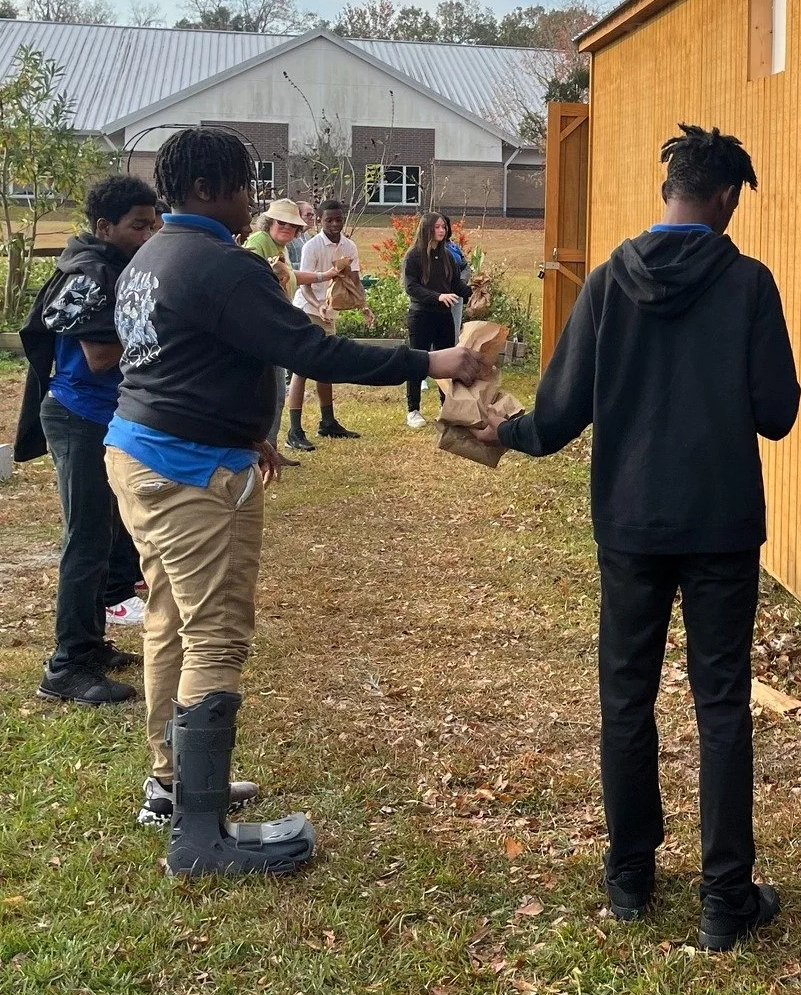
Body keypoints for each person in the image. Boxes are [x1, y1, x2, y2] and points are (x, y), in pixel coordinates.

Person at [104, 127, 487, 873]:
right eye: (249, 186)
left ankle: (174, 782)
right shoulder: (224, 264)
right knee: (214, 636)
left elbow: (184, 358)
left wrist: (251, 429)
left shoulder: (151, 256)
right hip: (188, 474)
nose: (255, 203)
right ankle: (200, 840)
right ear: (213, 190)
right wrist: (433, 359)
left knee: (170, 619)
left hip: (141, 452)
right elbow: (311, 350)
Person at [473, 124, 799, 951]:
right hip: (722, 525)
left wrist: (494, 429)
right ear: (726, 198)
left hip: (630, 521)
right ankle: (726, 900)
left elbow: (553, 417)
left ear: (670, 191)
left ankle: (630, 880)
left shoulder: (611, 282)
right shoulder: (749, 283)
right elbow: (778, 412)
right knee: (720, 704)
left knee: (627, 698)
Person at [16, 175, 161, 707]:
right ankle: (66, 667)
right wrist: (164, 330)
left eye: (154, 224)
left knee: (105, 537)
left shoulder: (111, 264)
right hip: (79, 416)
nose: (149, 234)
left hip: (102, 415)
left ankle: (91, 644)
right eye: (137, 225)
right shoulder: (90, 273)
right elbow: (100, 358)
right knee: (85, 541)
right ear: (104, 226)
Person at [285, 198, 371, 451]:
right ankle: (294, 430)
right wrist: (318, 305)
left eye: (338, 219)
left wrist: (364, 305)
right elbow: (304, 283)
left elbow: (354, 281)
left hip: (329, 311)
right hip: (308, 309)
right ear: (320, 221)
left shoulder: (349, 246)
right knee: (302, 368)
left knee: (325, 367)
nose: (334, 224)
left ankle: (328, 422)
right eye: (328, 220)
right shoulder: (312, 246)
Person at [244, 200, 312, 452]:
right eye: (281, 222)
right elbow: (249, 278)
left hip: (275, 329)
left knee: (276, 395)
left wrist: (323, 276)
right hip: (261, 331)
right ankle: (262, 451)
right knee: (268, 394)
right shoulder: (260, 241)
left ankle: (270, 448)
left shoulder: (278, 246)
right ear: (269, 222)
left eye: (292, 224)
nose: (286, 228)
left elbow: (288, 280)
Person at [403, 212, 469, 429]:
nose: (442, 231)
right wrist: (437, 296)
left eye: (443, 227)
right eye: (437, 227)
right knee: (417, 362)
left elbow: (455, 286)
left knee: (447, 362)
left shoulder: (448, 257)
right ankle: (413, 410)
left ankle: (446, 407)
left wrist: (474, 290)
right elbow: (411, 287)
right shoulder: (413, 256)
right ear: (427, 229)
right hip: (421, 315)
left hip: (443, 316)